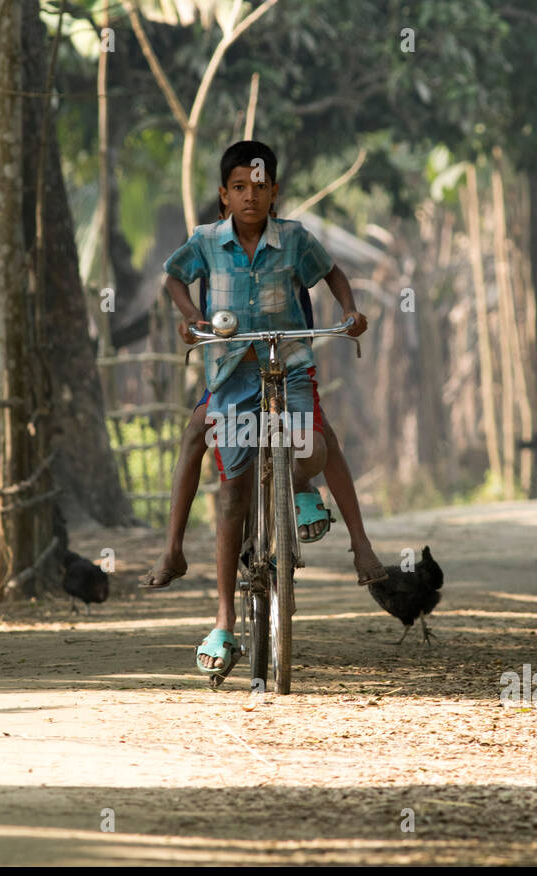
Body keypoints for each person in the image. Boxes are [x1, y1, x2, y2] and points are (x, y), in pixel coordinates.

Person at [158, 140, 385, 675]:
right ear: (224, 194)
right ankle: (223, 620)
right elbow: (172, 275)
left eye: (260, 186)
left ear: (275, 192)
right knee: (232, 493)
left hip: (291, 362)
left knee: (312, 446)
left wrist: (349, 311)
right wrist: (191, 314)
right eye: (239, 187)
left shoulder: (295, 240)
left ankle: (306, 491)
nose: (250, 196)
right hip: (231, 374)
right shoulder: (207, 242)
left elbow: (333, 274)